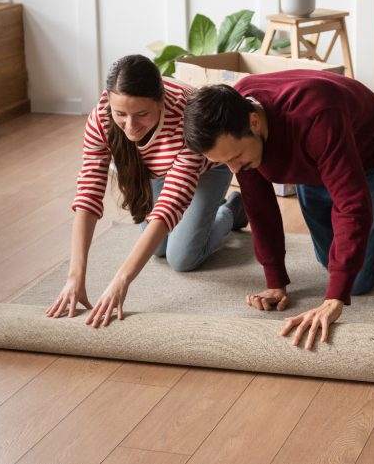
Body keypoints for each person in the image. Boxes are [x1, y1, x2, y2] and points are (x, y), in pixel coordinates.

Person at [183, 69, 374, 350]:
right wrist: (275, 280)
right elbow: (259, 207)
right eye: (224, 163)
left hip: (371, 150)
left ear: (254, 122)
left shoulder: (316, 118)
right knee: (330, 258)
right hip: (314, 159)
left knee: (357, 281)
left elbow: (351, 205)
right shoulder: (235, 122)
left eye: (236, 157)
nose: (234, 169)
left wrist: (333, 300)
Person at [45, 55, 247, 327]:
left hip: (208, 166)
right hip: (156, 167)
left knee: (181, 258)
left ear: (161, 101)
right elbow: (88, 193)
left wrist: (120, 281)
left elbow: (170, 205)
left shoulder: (184, 117)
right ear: (108, 100)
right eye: (121, 115)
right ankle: (205, 210)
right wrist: (74, 277)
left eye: (141, 114)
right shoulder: (100, 119)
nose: (130, 126)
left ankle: (230, 211)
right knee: (158, 249)